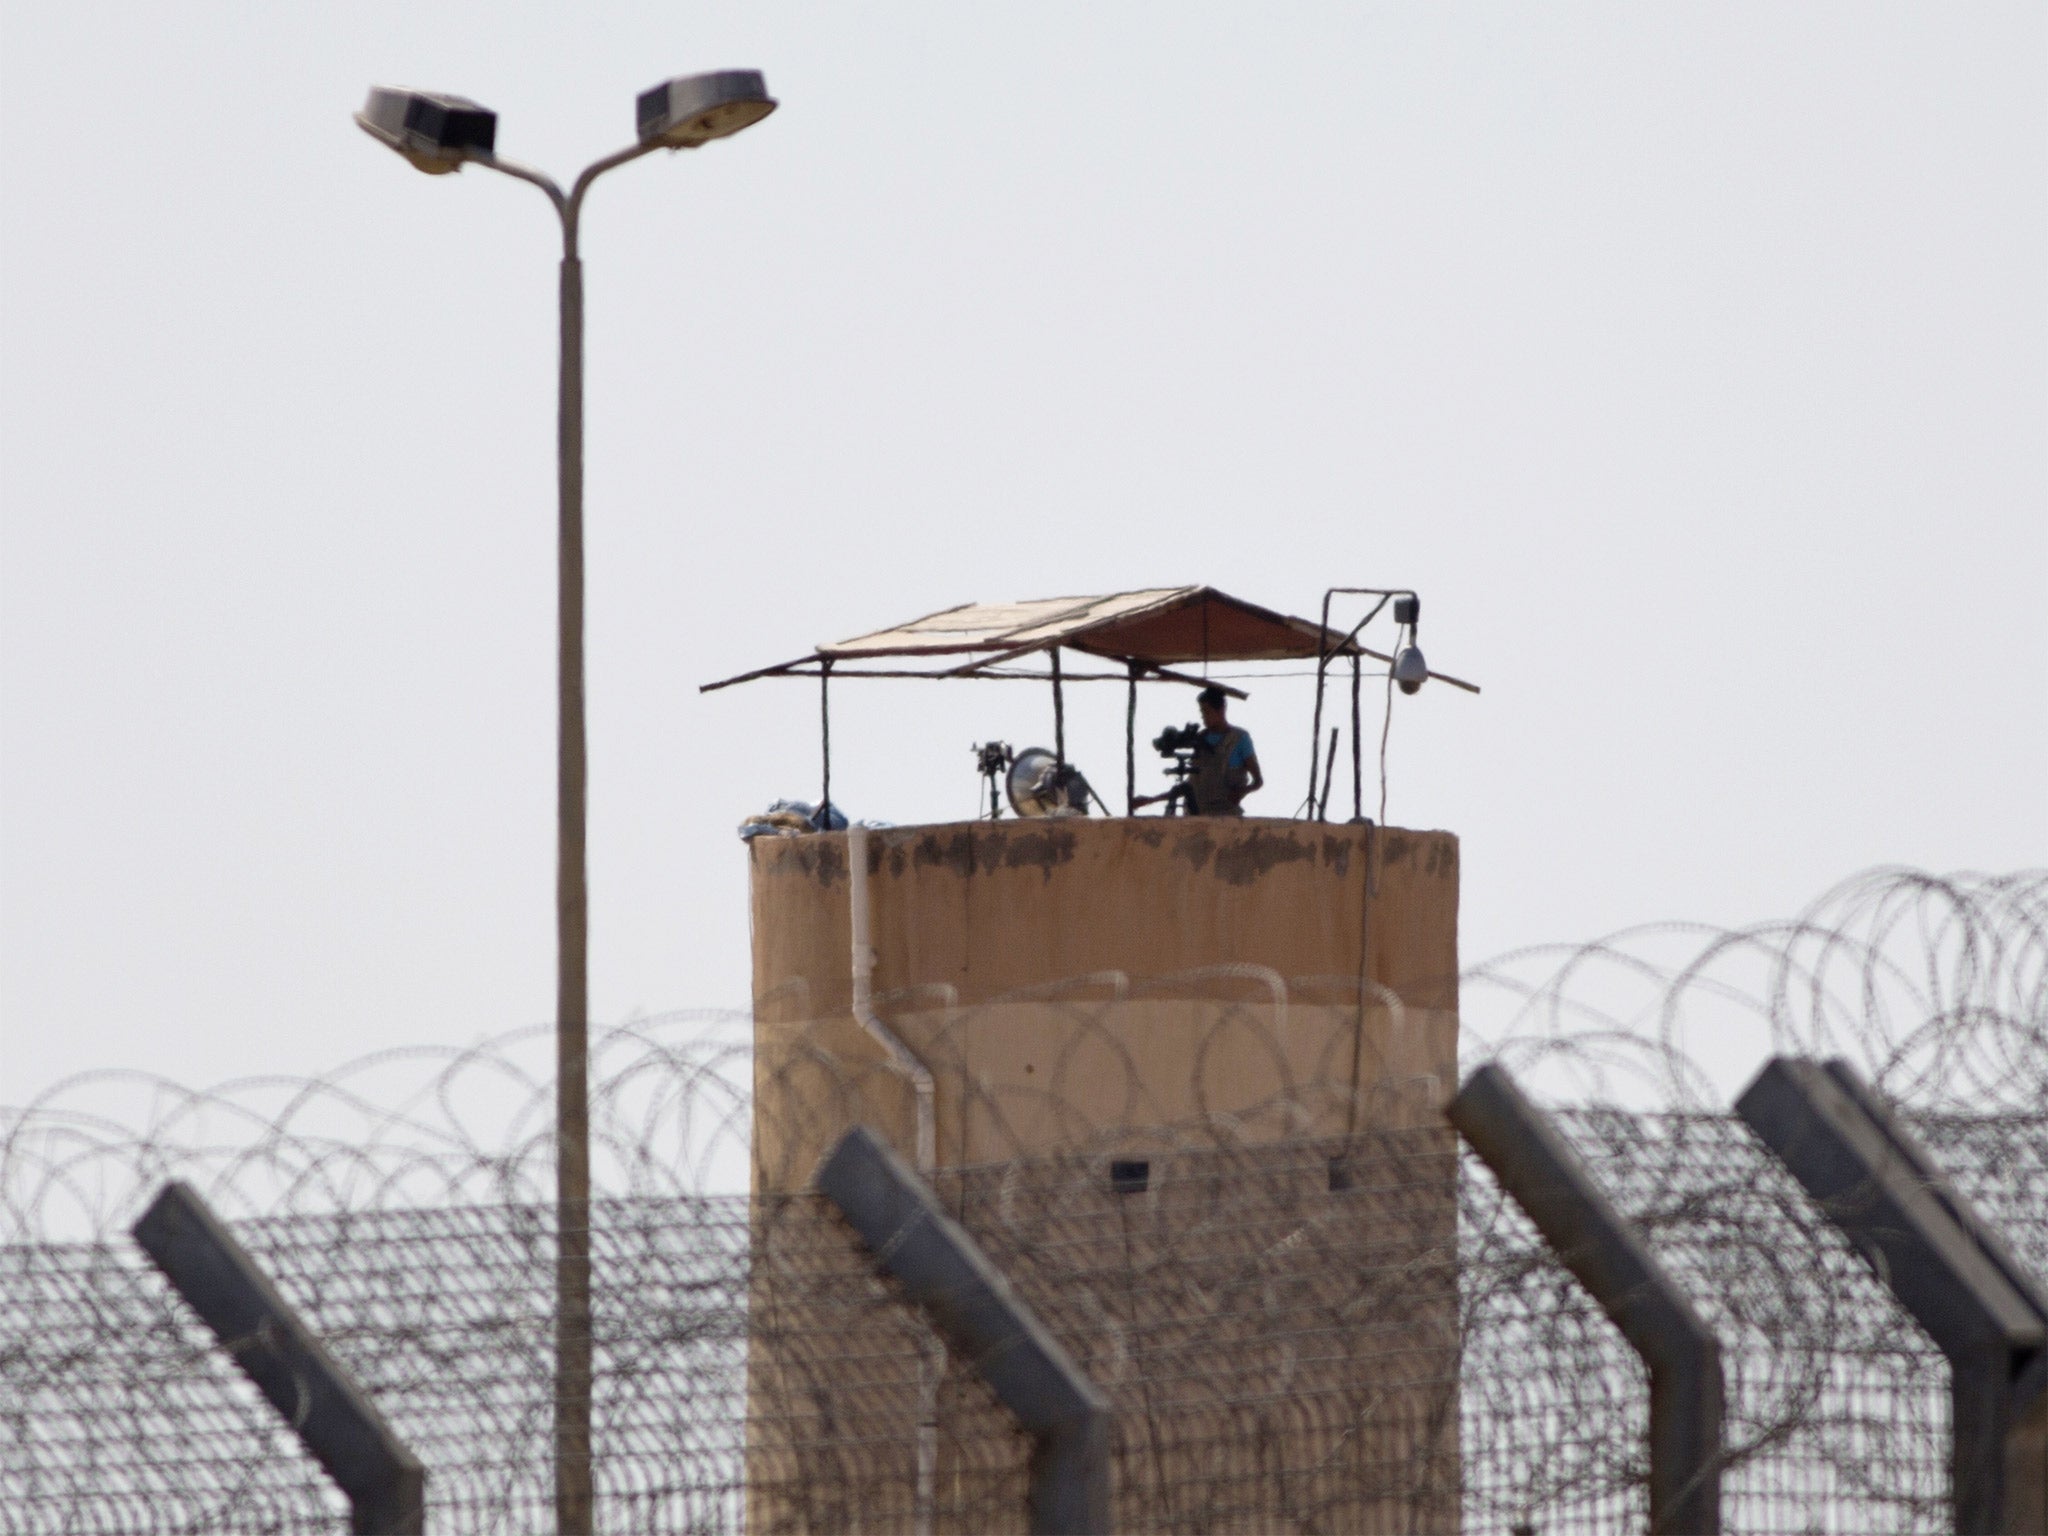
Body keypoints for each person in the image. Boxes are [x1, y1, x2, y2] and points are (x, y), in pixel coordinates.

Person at [1189, 685, 1262, 816]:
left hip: (1225, 815)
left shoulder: (1239, 739)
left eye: (1207, 712)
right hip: (1196, 814)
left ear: (1221, 710)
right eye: (1202, 712)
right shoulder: (1199, 739)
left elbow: (1258, 781)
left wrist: (1241, 792)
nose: (1203, 717)